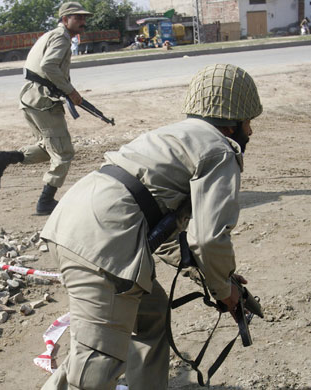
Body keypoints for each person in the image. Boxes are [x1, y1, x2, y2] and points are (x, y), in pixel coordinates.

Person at [39, 63, 263, 390]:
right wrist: (224, 290)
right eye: (249, 122)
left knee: (152, 314)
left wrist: (215, 280)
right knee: (94, 369)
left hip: (78, 219)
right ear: (231, 124)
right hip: (105, 241)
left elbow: (174, 235)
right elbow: (209, 239)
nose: (251, 131)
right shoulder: (219, 151)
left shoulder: (178, 136)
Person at [0, 2, 91, 215]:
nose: (83, 22)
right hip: (43, 102)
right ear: (65, 20)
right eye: (77, 18)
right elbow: (48, 66)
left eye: (83, 18)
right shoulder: (61, 38)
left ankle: (4, 158)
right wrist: (70, 91)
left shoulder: (53, 35)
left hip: (31, 99)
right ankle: (45, 201)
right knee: (63, 153)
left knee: (49, 147)